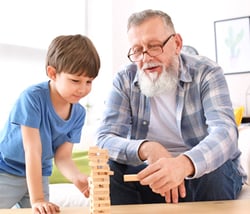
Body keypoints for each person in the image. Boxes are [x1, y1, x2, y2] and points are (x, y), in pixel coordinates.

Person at [96, 9, 246, 205]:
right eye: (137, 50)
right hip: (152, 173)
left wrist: (183, 165)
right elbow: (104, 138)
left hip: (202, 171)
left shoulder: (206, 72)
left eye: (154, 46)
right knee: (110, 170)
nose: (145, 57)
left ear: (177, 44)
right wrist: (147, 148)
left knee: (215, 172)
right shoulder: (124, 79)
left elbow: (226, 133)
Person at [0, 34, 100, 213]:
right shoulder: (32, 98)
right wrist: (37, 199)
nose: (83, 88)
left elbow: (63, 157)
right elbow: (33, 150)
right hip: (7, 170)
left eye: (89, 82)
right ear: (52, 73)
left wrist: (77, 177)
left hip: (40, 173)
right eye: (75, 80)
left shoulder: (78, 113)